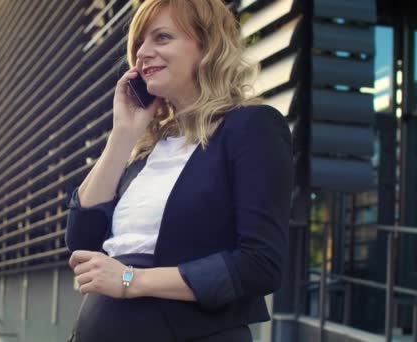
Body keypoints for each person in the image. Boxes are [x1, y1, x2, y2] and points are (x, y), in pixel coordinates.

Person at [64, 0, 292, 341]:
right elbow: (81, 238)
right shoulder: (147, 150)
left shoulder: (251, 128)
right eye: (140, 42)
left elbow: (260, 265)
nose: (142, 52)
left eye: (162, 37)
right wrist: (123, 134)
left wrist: (131, 281)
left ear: (207, 47)